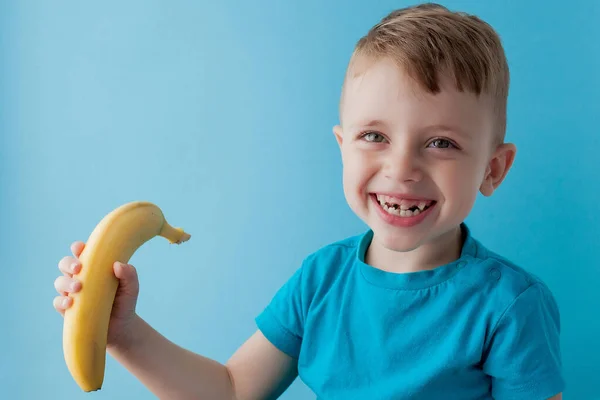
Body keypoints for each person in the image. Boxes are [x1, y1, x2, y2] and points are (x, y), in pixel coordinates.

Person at [53, 3, 565, 399]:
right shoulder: (321, 281)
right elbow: (232, 390)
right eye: (374, 136)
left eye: (441, 143)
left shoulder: (511, 307)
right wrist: (122, 332)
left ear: (492, 169)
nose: (402, 168)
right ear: (343, 147)